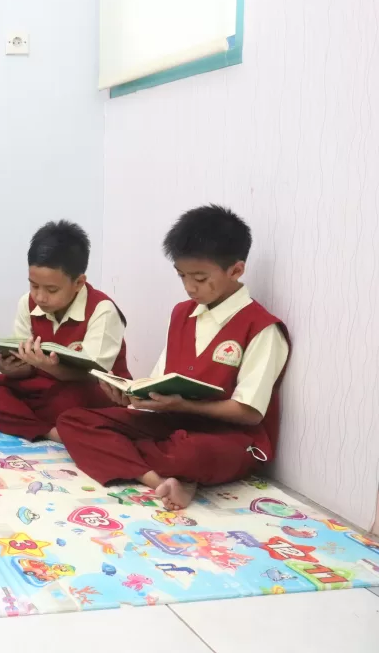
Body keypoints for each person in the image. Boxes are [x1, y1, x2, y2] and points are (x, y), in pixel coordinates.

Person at [57, 205, 290, 510]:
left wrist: (185, 406)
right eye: (182, 275)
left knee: (188, 453)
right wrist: (132, 396)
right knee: (74, 420)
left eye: (200, 278)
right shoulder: (182, 313)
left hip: (228, 437)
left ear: (236, 270)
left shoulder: (261, 328)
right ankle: (159, 480)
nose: (189, 287)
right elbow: (160, 380)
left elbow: (249, 413)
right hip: (172, 422)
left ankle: (147, 459)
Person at [0, 220, 129, 442]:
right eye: (34, 285)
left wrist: (47, 366)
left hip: (86, 391)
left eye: (52, 290)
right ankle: (50, 431)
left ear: (78, 283)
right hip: (42, 388)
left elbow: (92, 375)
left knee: (69, 402)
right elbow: (24, 364)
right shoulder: (27, 303)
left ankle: (38, 425)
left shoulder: (102, 310)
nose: (40, 297)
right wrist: (9, 367)